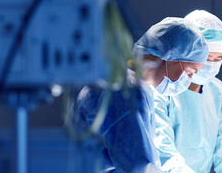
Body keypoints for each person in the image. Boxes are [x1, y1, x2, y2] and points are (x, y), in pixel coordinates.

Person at [75, 17, 209, 173]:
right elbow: (138, 166)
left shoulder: (120, 80)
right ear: (170, 56)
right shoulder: (126, 90)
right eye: (189, 72)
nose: (189, 80)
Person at [154, 10, 222, 173]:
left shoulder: (217, 91)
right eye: (207, 58)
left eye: (218, 58)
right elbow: (161, 151)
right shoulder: (161, 87)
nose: (211, 66)